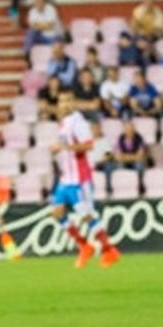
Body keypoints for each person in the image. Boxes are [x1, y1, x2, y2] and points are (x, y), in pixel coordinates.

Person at [49, 93, 121, 269]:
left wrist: (64, 147)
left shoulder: (78, 122)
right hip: (65, 178)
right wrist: (58, 150)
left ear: (72, 103)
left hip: (79, 179)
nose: (63, 104)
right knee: (57, 213)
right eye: (61, 101)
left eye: (66, 100)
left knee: (87, 216)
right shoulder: (64, 123)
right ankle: (84, 246)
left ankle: (109, 250)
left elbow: (88, 145)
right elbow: (67, 147)